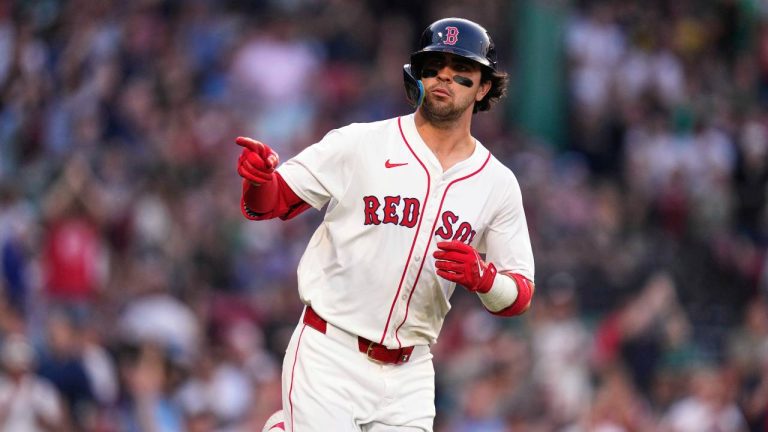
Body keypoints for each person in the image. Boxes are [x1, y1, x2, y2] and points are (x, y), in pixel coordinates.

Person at [236, 17, 536, 432]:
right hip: (331, 351)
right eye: (434, 67)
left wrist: (485, 279)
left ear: (483, 87)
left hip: (409, 371)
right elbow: (269, 204)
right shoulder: (362, 143)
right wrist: (257, 181)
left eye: (460, 71)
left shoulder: (496, 183)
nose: (444, 78)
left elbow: (519, 293)